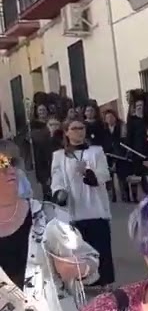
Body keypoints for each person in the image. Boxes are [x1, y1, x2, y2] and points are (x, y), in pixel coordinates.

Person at [0, 140, 98, 311]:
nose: (9, 169)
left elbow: (89, 260)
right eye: (0, 163)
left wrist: (78, 268)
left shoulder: (48, 215)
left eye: (12, 163)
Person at [50, 119, 115, 286]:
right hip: (74, 209)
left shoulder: (96, 151)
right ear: (66, 132)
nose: (79, 131)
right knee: (77, 248)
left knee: (101, 246)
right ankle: (81, 282)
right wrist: (59, 193)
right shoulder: (59, 155)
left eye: (82, 128)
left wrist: (87, 173)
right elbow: (56, 178)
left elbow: (104, 175)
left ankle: (105, 281)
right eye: (74, 128)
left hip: (95, 206)